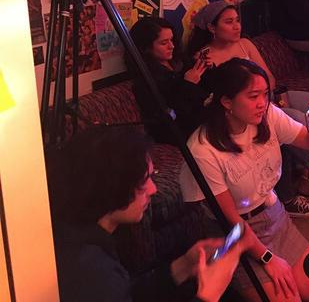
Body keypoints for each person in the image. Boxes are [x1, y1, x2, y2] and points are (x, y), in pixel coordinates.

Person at [48, 125, 253, 302]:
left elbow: (126, 293)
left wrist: (182, 267)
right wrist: (208, 295)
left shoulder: (88, 237)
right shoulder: (89, 270)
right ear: (111, 188)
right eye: (142, 181)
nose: (153, 189)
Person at [179, 58, 309, 301]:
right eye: (253, 96)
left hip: (275, 216)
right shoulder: (203, 149)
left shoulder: (267, 114)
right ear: (226, 101)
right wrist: (268, 258)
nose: (262, 103)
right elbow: (232, 220)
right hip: (235, 236)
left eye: (265, 94)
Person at [188, 1, 309, 209]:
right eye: (229, 22)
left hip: (271, 97)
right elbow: (213, 98)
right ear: (212, 28)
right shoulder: (204, 58)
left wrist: (263, 94)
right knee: (292, 120)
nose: (237, 26)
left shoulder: (245, 44)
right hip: (244, 112)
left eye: (237, 21)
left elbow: (270, 78)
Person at [128, 17, 210, 144]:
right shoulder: (147, 79)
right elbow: (171, 115)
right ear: (146, 47)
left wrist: (206, 68)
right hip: (179, 131)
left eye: (171, 40)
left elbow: (204, 89)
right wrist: (188, 85)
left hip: (202, 115)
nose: (171, 46)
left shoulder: (178, 61)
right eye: (164, 43)